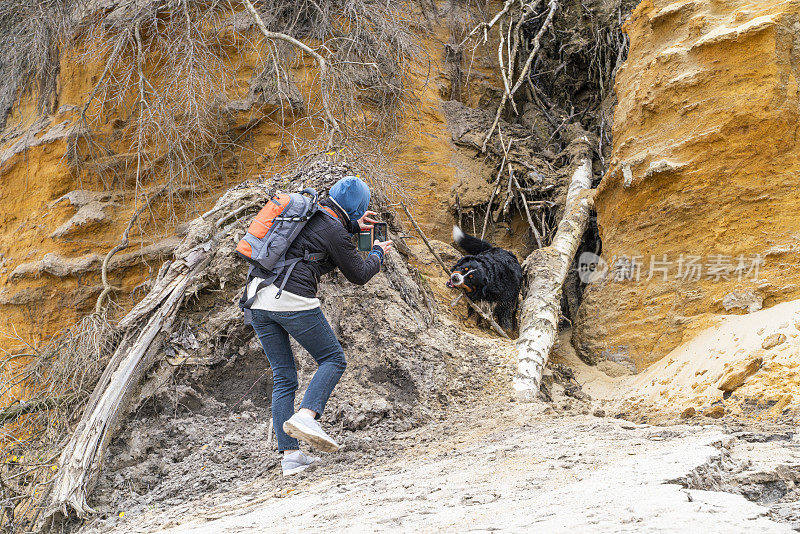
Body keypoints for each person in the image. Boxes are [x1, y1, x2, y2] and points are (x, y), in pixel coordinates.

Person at [247, 176, 393, 476]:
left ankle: (290, 457)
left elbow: (319, 233)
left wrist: (353, 226)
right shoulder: (335, 231)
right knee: (333, 359)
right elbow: (360, 274)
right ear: (358, 208)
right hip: (290, 298)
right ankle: (306, 415)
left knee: (284, 377)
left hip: (258, 298)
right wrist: (378, 252)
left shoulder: (308, 211)